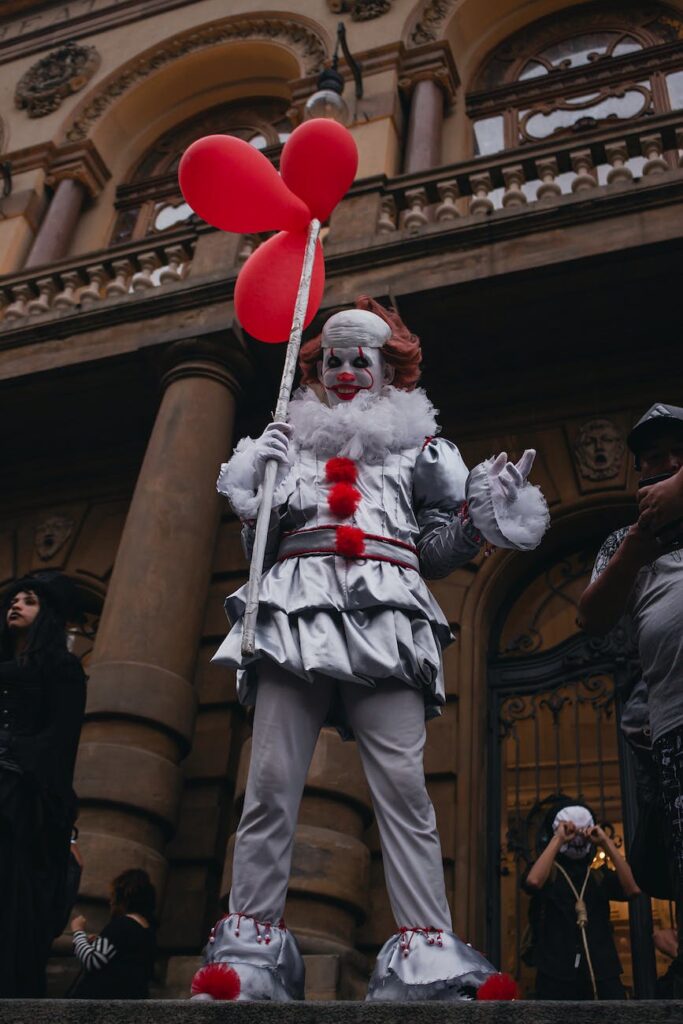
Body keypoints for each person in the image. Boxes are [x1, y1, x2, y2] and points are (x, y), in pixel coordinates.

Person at [196, 297, 549, 1002]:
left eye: (361, 359)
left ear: (389, 368)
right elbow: (258, 550)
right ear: (317, 367)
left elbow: (436, 553)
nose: (346, 370)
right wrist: (258, 492)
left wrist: (483, 514)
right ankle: (252, 952)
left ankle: (425, 954)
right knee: (270, 783)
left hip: (387, 611)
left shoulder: (422, 450)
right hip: (296, 609)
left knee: (405, 789)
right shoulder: (285, 442)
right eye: (332, 359)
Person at [578, 402, 683, 993]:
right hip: (673, 726)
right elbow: (592, 616)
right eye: (653, 458)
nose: (666, 464)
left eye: (677, 454)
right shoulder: (626, 539)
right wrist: (637, 547)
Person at [0, 571, 87, 998]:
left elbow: (60, 741)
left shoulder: (63, 669)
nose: (16, 604)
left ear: (47, 614)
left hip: (21, 798)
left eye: (29, 600)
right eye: (14, 599)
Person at [523, 802, 639, 999]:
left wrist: (606, 842)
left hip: (601, 970)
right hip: (556, 972)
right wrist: (559, 838)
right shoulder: (549, 873)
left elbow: (632, 889)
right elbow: (533, 881)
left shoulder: (597, 876)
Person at [69, 868, 157, 999]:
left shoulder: (121, 925)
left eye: (113, 897)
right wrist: (99, 943)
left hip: (101, 1000)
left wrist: (78, 932)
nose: (110, 902)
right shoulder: (147, 930)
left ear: (122, 899)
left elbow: (92, 960)